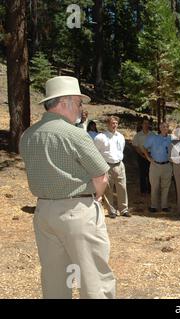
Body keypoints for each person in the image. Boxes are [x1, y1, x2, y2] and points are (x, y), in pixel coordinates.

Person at [19, 76, 115, 298]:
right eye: (79, 103)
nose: (81, 109)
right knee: (93, 280)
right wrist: (97, 197)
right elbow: (101, 175)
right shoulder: (74, 134)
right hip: (77, 212)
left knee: (55, 280)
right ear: (66, 103)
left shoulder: (28, 135)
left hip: (43, 213)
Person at [94, 116, 130, 218]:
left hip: (119, 164)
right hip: (106, 165)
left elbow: (121, 150)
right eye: (112, 123)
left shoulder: (121, 136)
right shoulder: (100, 137)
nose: (114, 125)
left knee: (122, 187)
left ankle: (124, 209)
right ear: (107, 124)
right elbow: (96, 152)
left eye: (116, 123)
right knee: (108, 189)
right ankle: (111, 211)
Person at [144, 122, 173, 213]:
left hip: (167, 166)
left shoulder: (171, 139)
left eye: (167, 127)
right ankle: (154, 206)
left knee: (166, 187)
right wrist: (148, 157)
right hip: (155, 165)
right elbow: (144, 147)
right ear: (160, 128)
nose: (165, 128)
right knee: (154, 186)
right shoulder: (153, 138)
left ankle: (164, 206)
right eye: (163, 127)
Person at [132, 117, 154, 196]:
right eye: (144, 123)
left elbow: (155, 145)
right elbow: (135, 146)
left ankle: (150, 190)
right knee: (142, 173)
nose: (146, 125)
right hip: (141, 155)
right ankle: (143, 190)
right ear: (142, 125)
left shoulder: (152, 134)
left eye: (147, 123)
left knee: (150, 173)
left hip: (151, 155)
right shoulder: (138, 135)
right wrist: (141, 154)